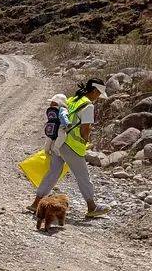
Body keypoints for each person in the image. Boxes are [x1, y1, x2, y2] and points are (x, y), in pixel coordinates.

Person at [31, 78, 111, 219]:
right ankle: (92, 207)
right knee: (83, 177)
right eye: (98, 94)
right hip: (72, 146)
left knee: (53, 173)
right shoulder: (88, 105)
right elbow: (85, 128)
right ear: (94, 91)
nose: (98, 97)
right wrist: (85, 141)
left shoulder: (73, 99)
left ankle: (36, 203)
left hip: (59, 142)